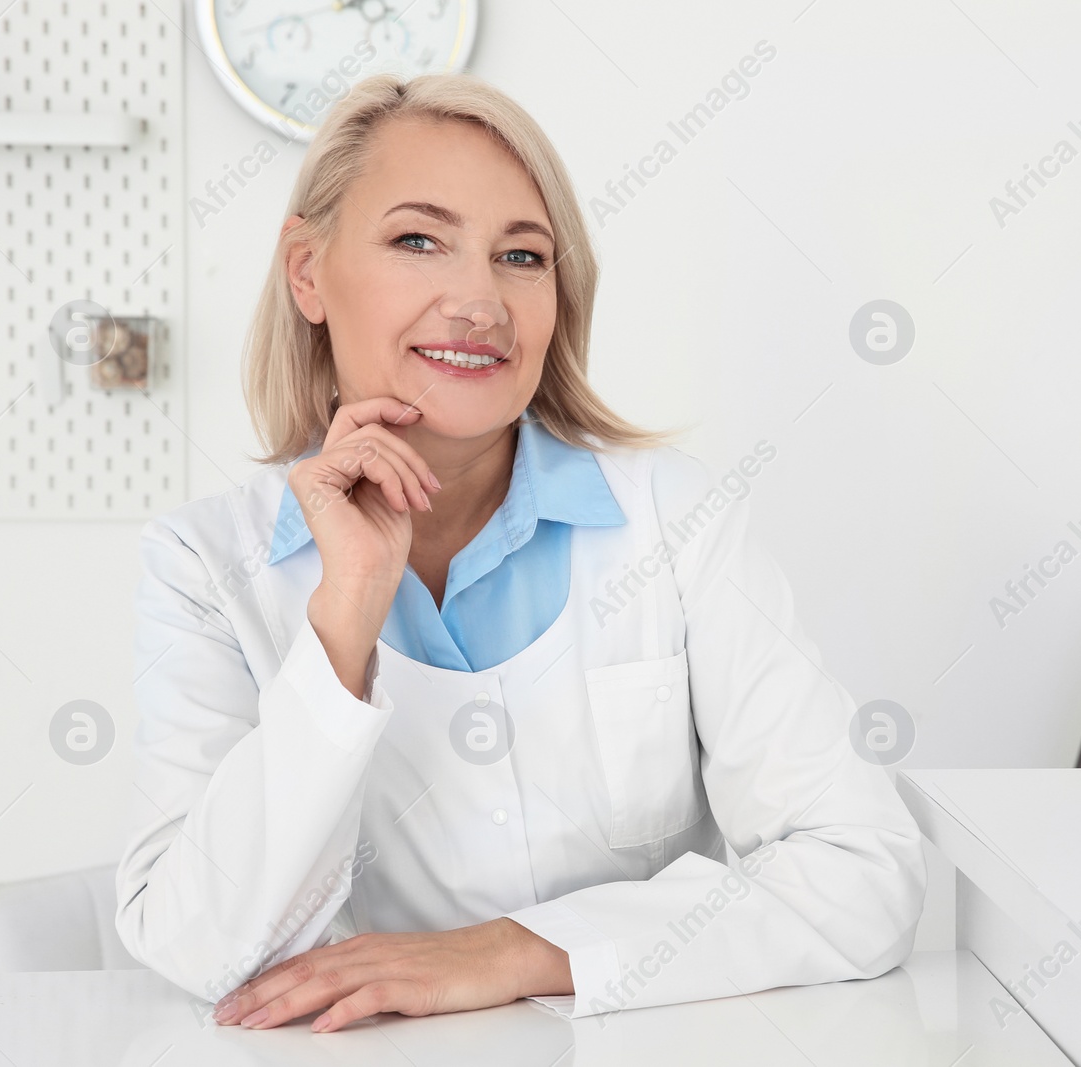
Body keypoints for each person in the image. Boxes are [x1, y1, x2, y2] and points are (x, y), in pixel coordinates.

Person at [114, 71, 926, 1033]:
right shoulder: (204, 566)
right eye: (419, 240)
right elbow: (199, 948)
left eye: (522, 256)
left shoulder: (675, 519)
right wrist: (346, 614)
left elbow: (862, 872)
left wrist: (509, 951)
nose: (480, 301)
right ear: (308, 272)